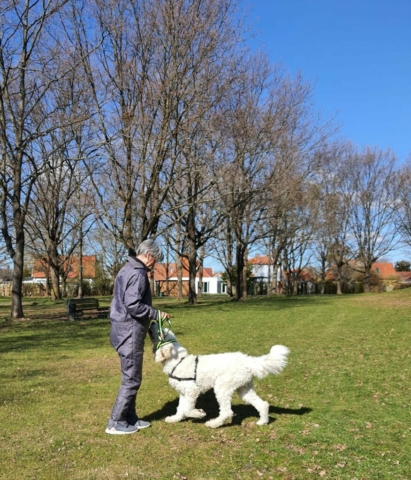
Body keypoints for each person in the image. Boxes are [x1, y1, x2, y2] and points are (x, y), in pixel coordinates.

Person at [105, 239, 170, 435]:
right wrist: (156, 314)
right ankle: (115, 422)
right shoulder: (139, 273)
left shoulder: (126, 269)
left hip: (120, 330)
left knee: (132, 377)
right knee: (131, 379)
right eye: (155, 260)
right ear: (149, 255)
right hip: (129, 332)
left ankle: (130, 417)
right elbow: (133, 305)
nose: (154, 264)